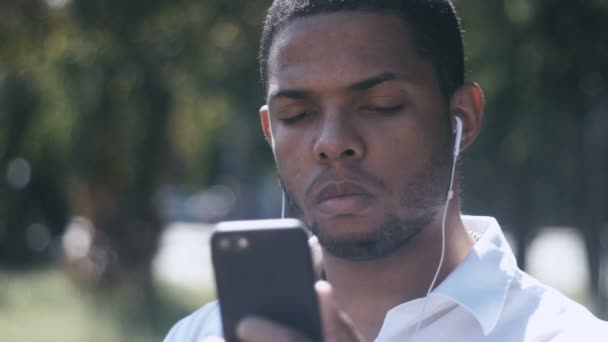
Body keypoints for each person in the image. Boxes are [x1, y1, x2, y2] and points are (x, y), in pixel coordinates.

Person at [165, 1, 608, 341]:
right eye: (297, 115)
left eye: (381, 106)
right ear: (269, 132)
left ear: (463, 118)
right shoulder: (200, 334)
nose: (333, 142)